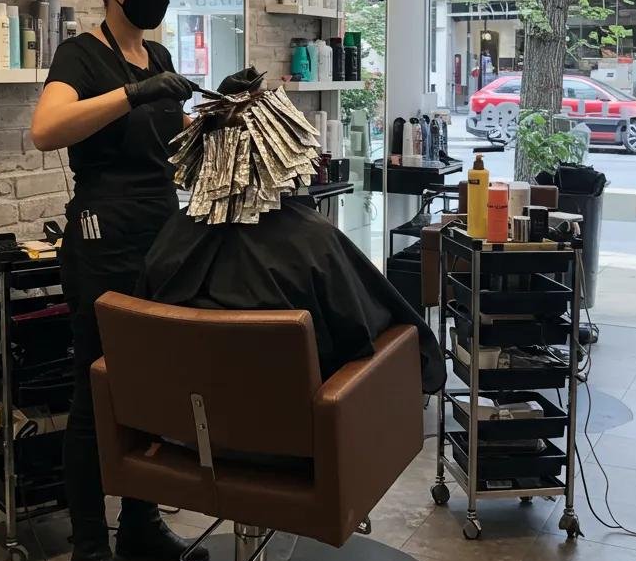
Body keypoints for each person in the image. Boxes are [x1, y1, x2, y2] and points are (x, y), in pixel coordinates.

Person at [30, 0, 208, 561]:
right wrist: (135, 95)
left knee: (155, 384)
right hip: (102, 238)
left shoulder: (156, 53)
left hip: (162, 232)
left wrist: (215, 115)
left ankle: (140, 521)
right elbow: (47, 130)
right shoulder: (83, 54)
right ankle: (88, 553)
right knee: (97, 389)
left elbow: (168, 152)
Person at [139, 68, 446, 393]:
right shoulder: (314, 241)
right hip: (299, 427)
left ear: (207, 153)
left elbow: (146, 335)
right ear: (283, 149)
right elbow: (365, 331)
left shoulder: (174, 234)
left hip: (186, 423)